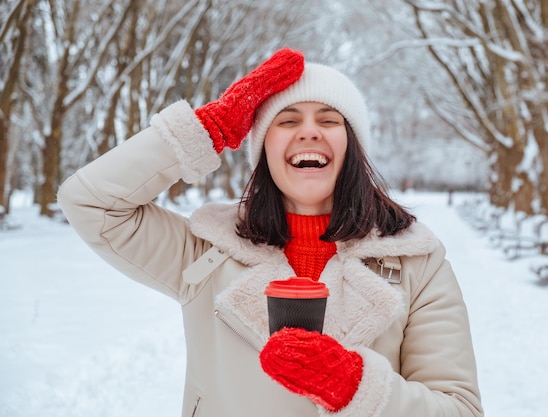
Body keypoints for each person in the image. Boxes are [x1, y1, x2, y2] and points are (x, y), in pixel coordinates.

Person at [58, 48, 483, 417]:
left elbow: (457, 407)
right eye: (287, 119)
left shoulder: (417, 263)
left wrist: (355, 388)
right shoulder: (204, 253)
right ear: (263, 150)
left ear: (353, 147)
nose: (309, 130)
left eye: (329, 119)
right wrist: (206, 130)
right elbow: (90, 201)